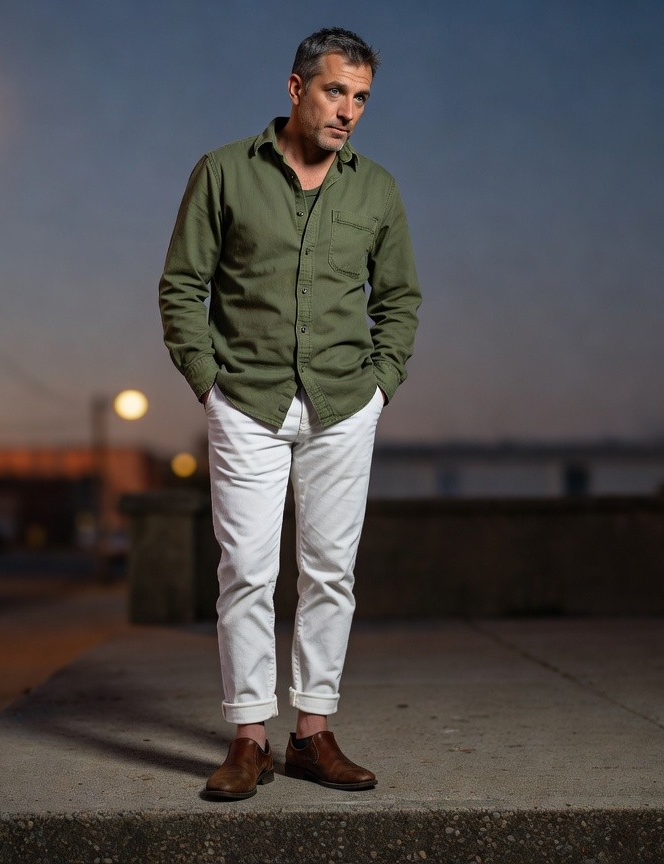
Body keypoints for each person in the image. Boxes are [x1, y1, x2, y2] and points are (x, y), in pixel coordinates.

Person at [158, 26, 421, 801]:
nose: (349, 111)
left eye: (362, 97)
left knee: (330, 573)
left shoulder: (377, 191)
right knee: (246, 570)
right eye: (337, 91)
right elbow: (183, 286)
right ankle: (249, 739)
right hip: (247, 400)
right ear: (297, 88)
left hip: (344, 403)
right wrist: (208, 383)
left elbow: (399, 299)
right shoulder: (222, 172)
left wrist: (380, 385)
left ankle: (312, 734)